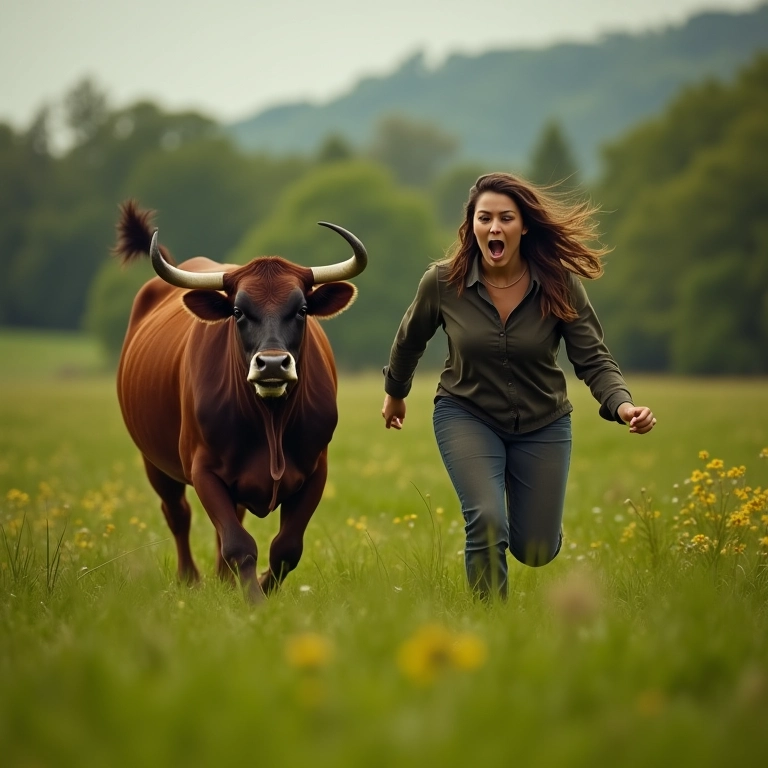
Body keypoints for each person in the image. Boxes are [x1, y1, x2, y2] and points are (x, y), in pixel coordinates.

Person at [381, 172, 656, 599]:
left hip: (543, 422)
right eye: (484, 217)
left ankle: (536, 518)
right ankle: (490, 623)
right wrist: (395, 395)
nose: (495, 227)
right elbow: (409, 340)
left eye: (506, 218)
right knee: (487, 519)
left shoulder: (559, 283)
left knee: (536, 548)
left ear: (523, 225)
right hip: (466, 413)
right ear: (471, 225)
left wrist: (623, 406)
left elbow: (593, 358)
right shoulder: (441, 282)